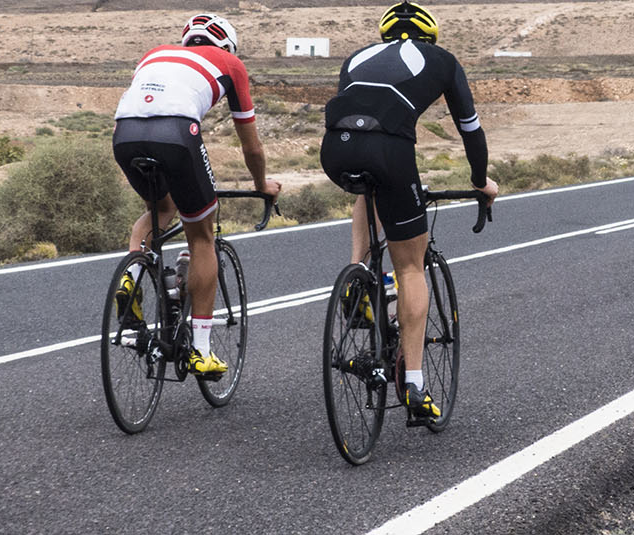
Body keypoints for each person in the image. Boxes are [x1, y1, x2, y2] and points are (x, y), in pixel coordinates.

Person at [320, 1, 498, 423]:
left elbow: (358, 110)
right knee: (412, 266)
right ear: (430, 35)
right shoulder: (442, 60)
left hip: (335, 147)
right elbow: (470, 129)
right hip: (391, 150)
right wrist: (480, 182)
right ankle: (415, 383)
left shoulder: (357, 57)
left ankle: (357, 276)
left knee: (368, 187)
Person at [112, 13, 281, 378]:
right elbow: (251, 147)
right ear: (227, 46)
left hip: (124, 133)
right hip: (176, 131)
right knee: (202, 234)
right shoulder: (231, 64)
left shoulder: (154, 53)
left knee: (162, 207)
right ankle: (201, 351)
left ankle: (133, 274)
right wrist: (261, 184)